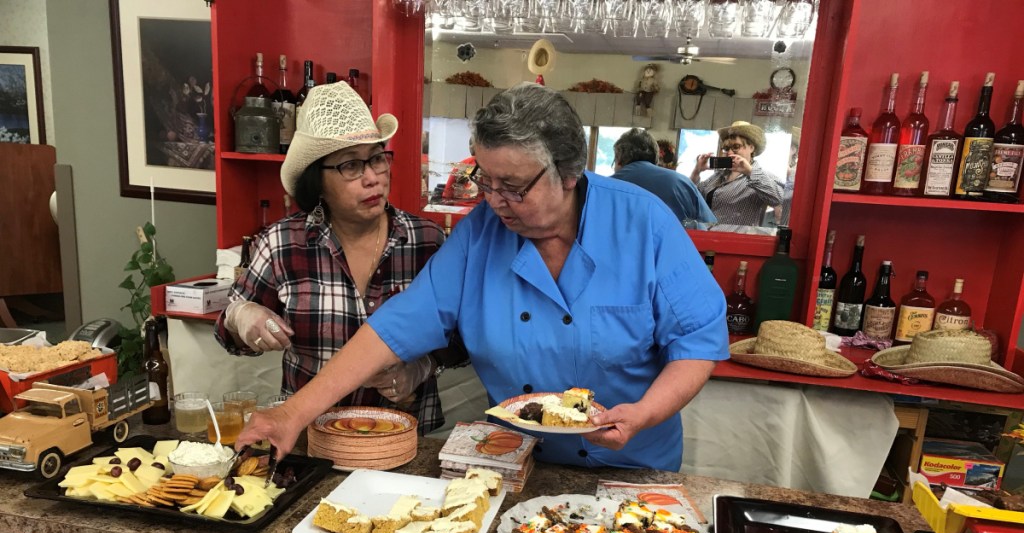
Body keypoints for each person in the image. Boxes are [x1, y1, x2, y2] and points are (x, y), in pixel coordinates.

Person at [239, 83, 729, 472]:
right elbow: (392, 329)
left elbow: (698, 342)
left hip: (634, 467)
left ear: (570, 173)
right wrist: (291, 414)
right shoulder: (479, 237)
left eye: (512, 187)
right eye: (485, 181)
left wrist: (644, 414)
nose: (494, 200)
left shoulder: (644, 222)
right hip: (520, 464)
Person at [214, 81, 463, 434]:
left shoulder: (426, 242)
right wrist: (242, 317)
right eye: (351, 166)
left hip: (407, 438)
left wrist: (422, 366)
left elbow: (460, 339)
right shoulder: (284, 244)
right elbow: (227, 332)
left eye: (377, 158)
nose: (372, 178)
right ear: (317, 180)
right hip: (310, 438)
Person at [611, 128, 716, 229]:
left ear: (618, 158)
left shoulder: (603, 187)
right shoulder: (682, 182)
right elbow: (708, 226)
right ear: (655, 158)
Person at [690, 120, 783, 227]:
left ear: (751, 148)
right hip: (709, 237)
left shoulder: (764, 176)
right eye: (726, 148)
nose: (729, 152)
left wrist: (750, 172)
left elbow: (779, 199)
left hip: (738, 241)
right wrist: (697, 171)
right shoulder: (719, 176)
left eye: (736, 147)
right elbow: (692, 197)